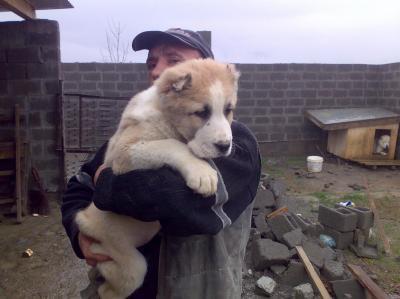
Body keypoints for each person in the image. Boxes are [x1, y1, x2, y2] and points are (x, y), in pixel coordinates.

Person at [62, 28, 261, 299]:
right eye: (152, 62)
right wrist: (79, 235)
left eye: (174, 61)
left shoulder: (236, 144)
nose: (158, 72)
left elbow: (166, 197)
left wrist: (106, 180)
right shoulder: (143, 127)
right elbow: (78, 184)